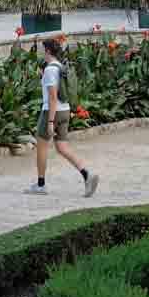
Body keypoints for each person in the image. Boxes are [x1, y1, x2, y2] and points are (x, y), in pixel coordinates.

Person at [25, 37, 98, 197]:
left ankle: (41, 185)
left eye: (42, 50)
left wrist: (50, 121)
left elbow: (52, 97)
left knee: (42, 147)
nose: (40, 52)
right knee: (62, 147)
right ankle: (87, 174)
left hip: (52, 112)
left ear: (48, 51)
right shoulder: (60, 67)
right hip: (65, 110)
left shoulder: (51, 70)